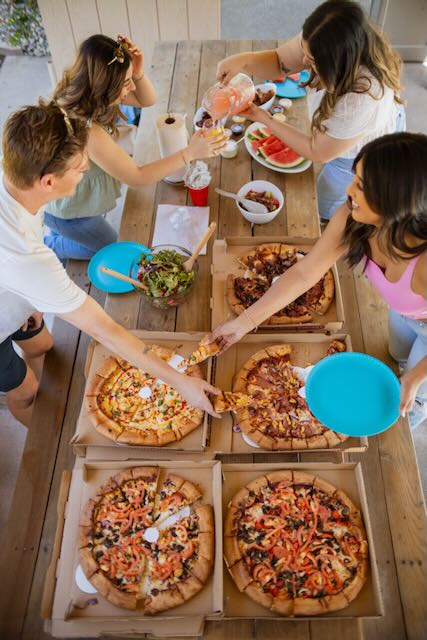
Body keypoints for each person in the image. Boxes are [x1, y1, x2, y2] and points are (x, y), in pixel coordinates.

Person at [0, 103, 220, 427]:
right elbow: (105, 330)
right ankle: (42, 437)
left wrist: (26, 297)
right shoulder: (28, 259)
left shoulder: (14, 172)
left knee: (43, 344)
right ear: (48, 182)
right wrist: (181, 381)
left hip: (12, 289)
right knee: (27, 391)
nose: (85, 169)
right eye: (79, 167)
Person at [208, 132, 427, 430]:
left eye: (361, 187)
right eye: (355, 178)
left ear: (396, 203)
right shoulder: (354, 216)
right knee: (395, 355)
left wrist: (416, 376)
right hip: (407, 310)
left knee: (408, 398)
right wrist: (242, 323)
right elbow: (304, 272)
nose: (349, 191)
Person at [216, 0, 405, 221]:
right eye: (305, 51)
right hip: (338, 137)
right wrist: (243, 60)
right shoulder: (325, 37)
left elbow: (318, 152)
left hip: (359, 156)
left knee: (326, 209)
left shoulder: (362, 99)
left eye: (312, 60)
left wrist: (265, 118)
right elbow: (280, 62)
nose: (304, 61)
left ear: (336, 63)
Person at [44, 34, 226, 260]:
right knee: (115, 250)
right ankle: (51, 245)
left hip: (75, 194)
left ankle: (59, 233)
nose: (131, 88)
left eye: (131, 80)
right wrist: (190, 152)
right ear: (105, 87)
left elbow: (147, 101)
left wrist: (137, 72)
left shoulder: (86, 91)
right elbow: (137, 177)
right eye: (126, 83)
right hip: (70, 213)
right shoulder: (89, 133)